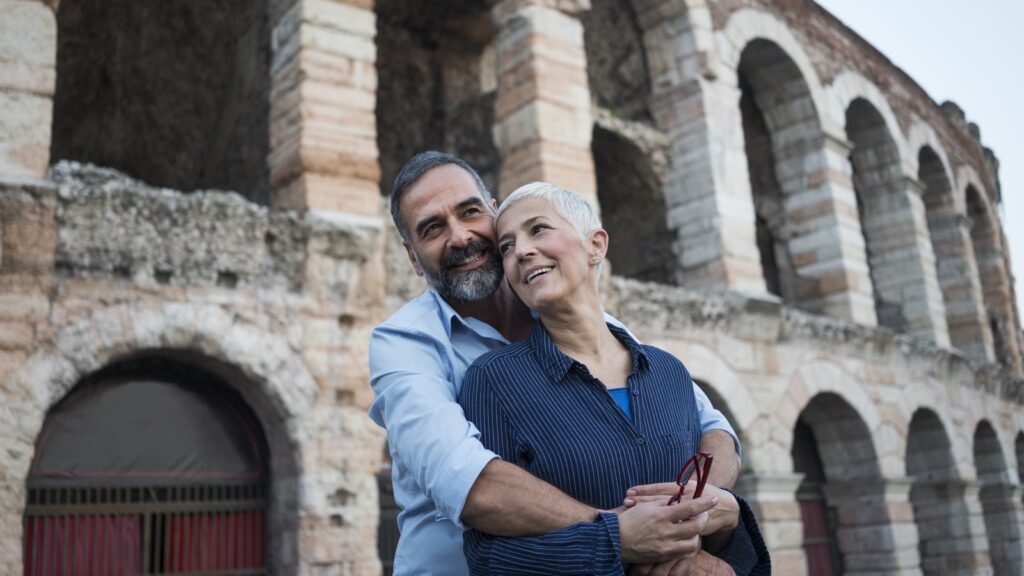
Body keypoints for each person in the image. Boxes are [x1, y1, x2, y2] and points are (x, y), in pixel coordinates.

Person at [369, 151, 743, 575]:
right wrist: (624, 536)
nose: (459, 236)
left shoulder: (583, 317)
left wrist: (695, 507)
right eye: (432, 228)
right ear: (413, 257)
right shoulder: (404, 342)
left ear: (494, 212)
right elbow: (472, 485)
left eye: (469, 212)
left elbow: (711, 427)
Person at [458, 182, 770, 575]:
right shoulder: (495, 381)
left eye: (538, 229)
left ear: (596, 245)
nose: (521, 251)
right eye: (506, 246)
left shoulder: (668, 372)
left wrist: (720, 548)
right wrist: (619, 544)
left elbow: (707, 510)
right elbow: (487, 558)